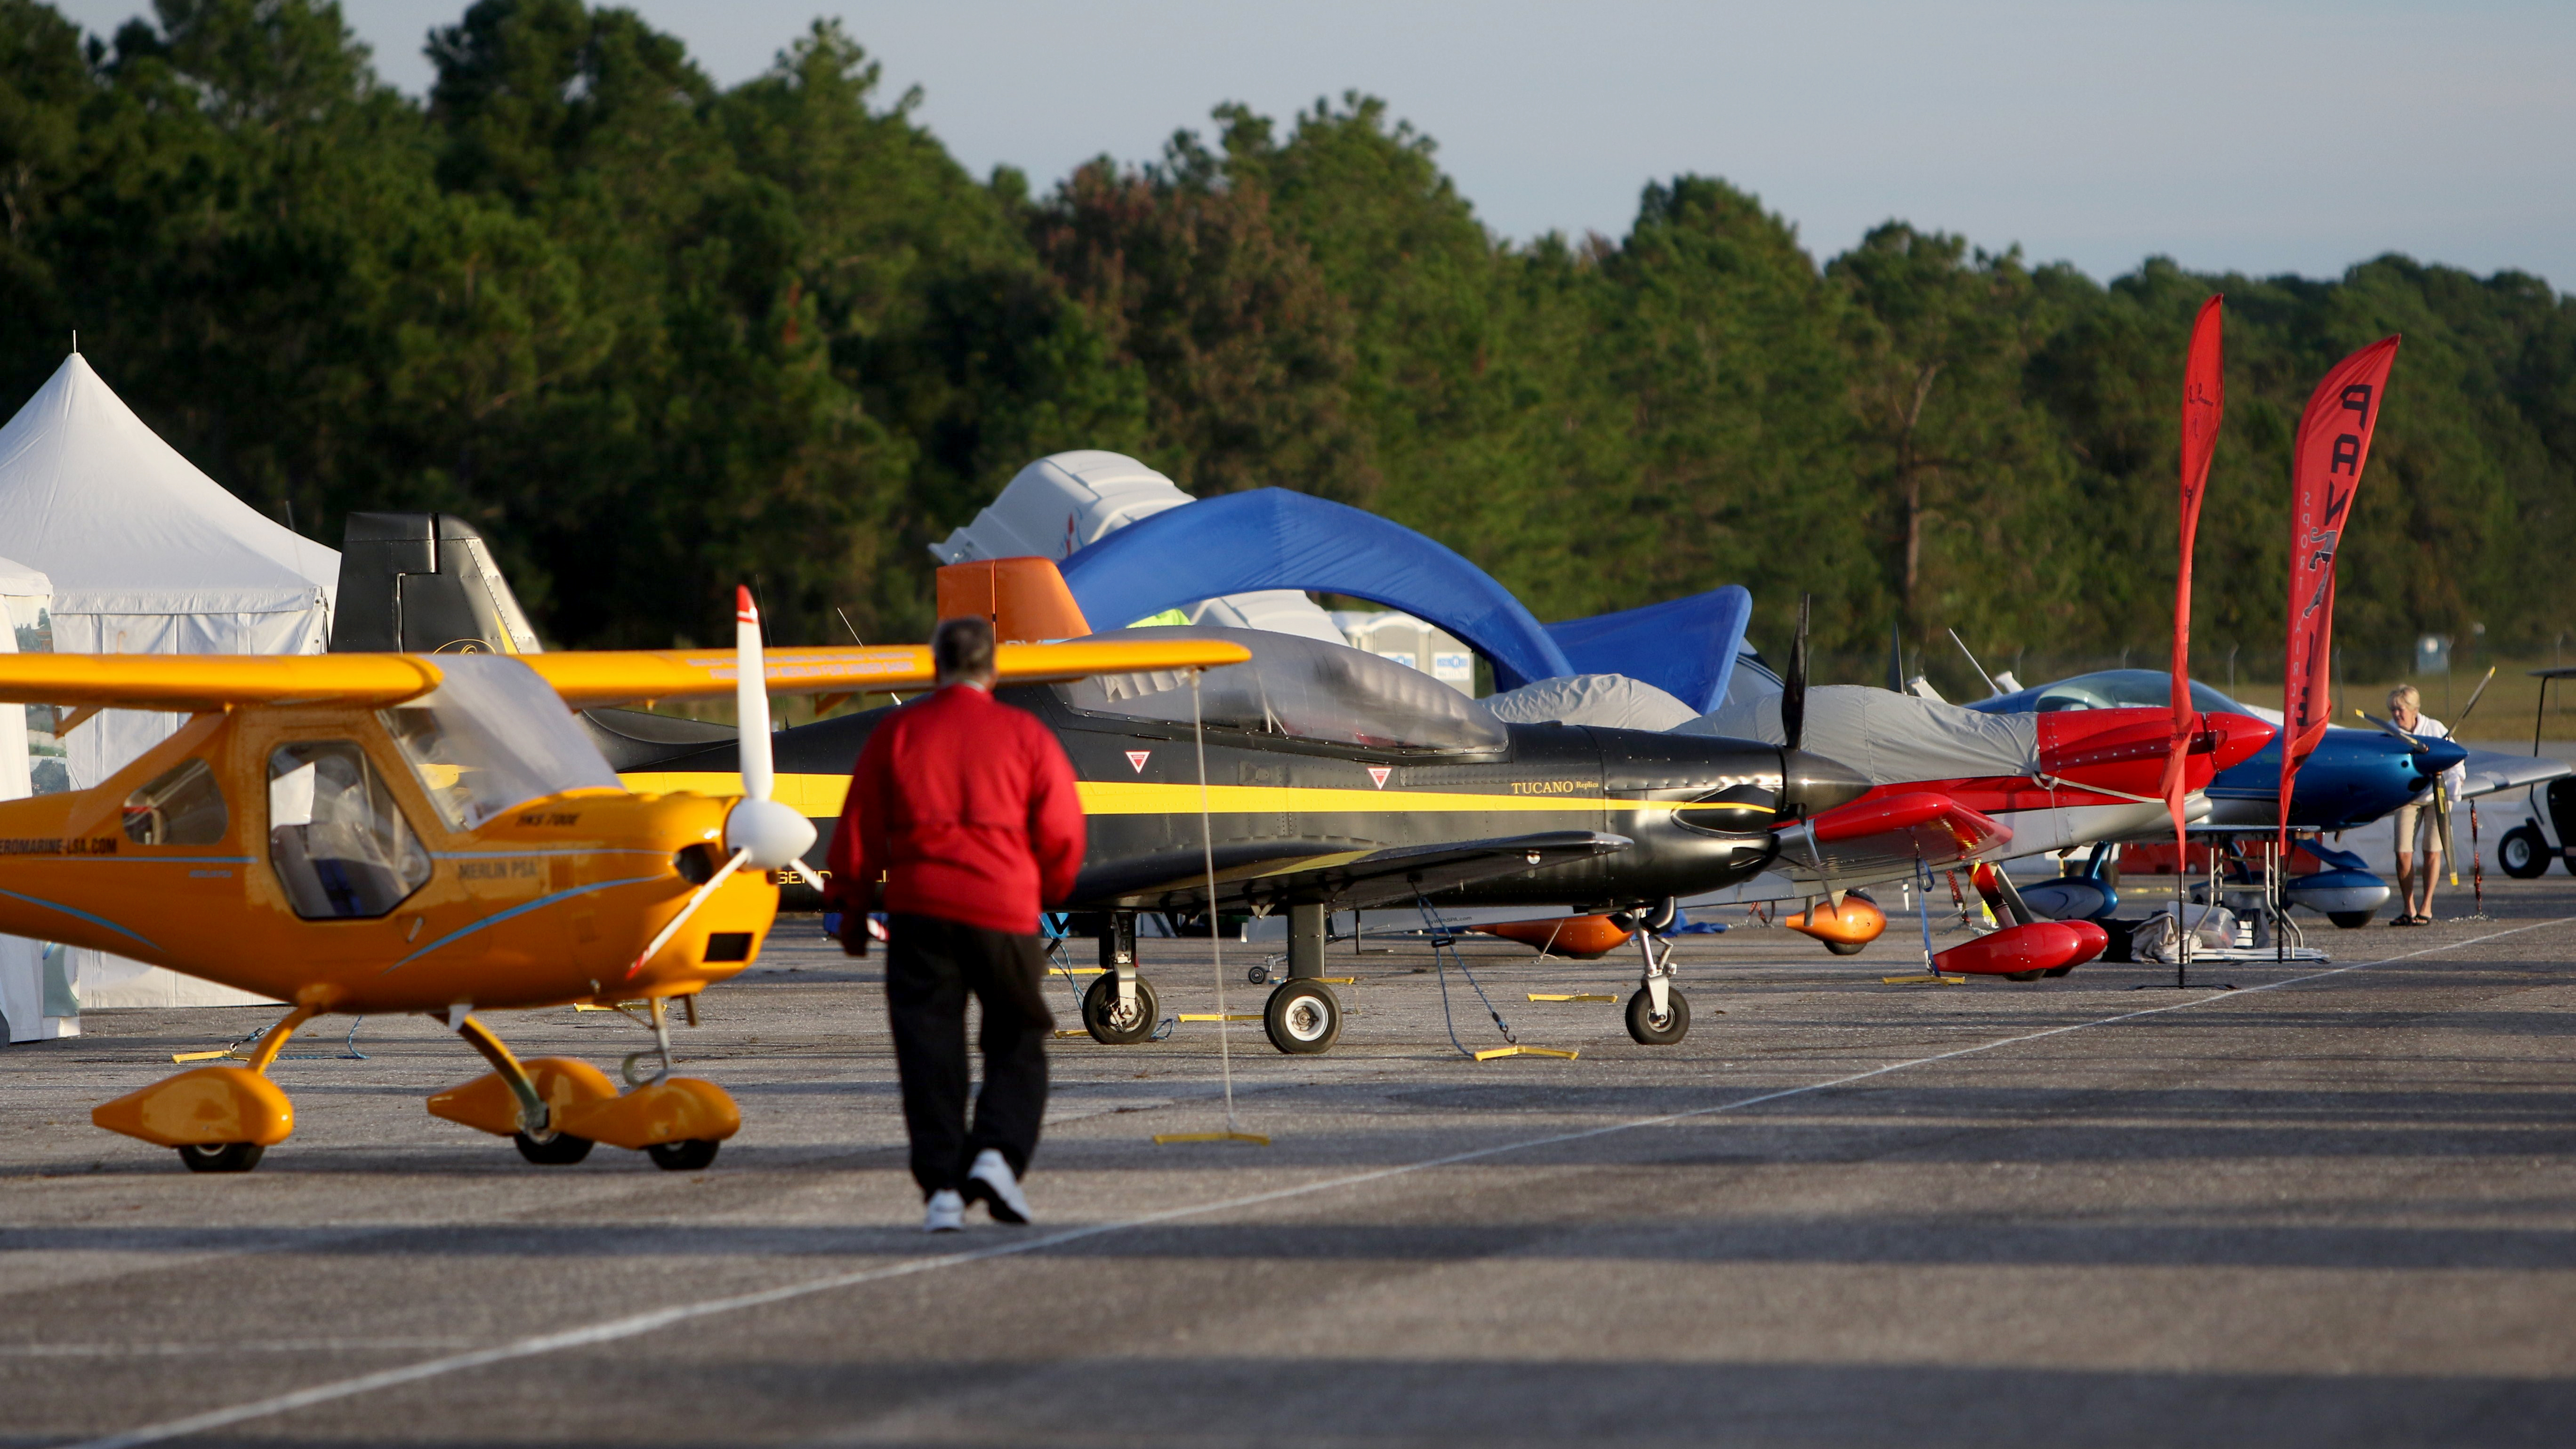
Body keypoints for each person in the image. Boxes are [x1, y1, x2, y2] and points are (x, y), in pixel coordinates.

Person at [825, 616, 1086, 1232]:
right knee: (1017, 1037)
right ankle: (997, 1154)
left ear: (935, 668)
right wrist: (1046, 890)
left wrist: (854, 911)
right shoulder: (1026, 733)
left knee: (929, 1048)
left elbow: (859, 830)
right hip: (1005, 908)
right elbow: (1064, 831)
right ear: (993, 670)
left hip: (921, 909)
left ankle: (942, 1188)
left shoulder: (899, 731)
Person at [2387, 684, 2466, 926]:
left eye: (2400, 710)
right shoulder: (2389, 733)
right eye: (2392, 710)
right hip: (2407, 797)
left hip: (2436, 797)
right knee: (2403, 854)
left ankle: (2426, 907)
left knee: (2432, 852)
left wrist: (2452, 789)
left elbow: (2455, 761)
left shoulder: (2435, 729)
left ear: (2414, 710)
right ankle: (2408, 907)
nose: (2396, 715)